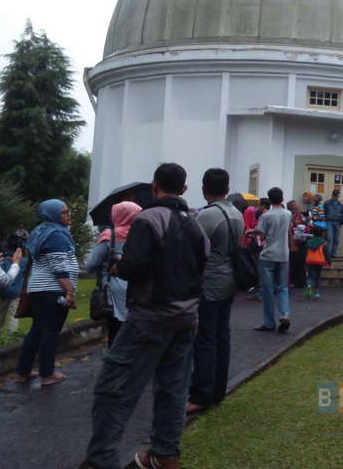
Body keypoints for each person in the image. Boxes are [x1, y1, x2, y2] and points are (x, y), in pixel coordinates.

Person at [81, 163, 209, 469]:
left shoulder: (148, 218)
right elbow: (200, 266)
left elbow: (133, 265)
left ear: (154, 186)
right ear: (185, 189)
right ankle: (165, 454)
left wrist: (117, 267)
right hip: (186, 317)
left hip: (150, 317)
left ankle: (101, 459)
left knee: (114, 387)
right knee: (173, 387)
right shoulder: (197, 225)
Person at [187, 168, 243, 415]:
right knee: (222, 335)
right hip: (230, 278)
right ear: (227, 189)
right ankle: (218, 389)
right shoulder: (236, 213)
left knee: (205, 338)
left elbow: (193, 248)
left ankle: (201, 394)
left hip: (211, 281)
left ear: (204, 189)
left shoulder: (208, 215)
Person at [15, 199, 78, 386]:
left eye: (68, 211)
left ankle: (23, 371)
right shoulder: (55, 235)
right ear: (53, 215)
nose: (69, 215)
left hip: (41, 289)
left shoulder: (42, 231)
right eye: (64, 212)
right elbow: (58, 266)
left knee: (37, 330)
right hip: (53, 290)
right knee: (50, 331)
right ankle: (47, 374)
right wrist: (69, 291)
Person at [85, 202, 142, 347]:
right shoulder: (142, 235)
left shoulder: (110, 236)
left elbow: (91, 265)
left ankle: (115, 364)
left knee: (116, 330)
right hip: (139, 288)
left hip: (114, 289)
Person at [253, 187, 293, 333]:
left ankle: (269, 322)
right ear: (282, 198)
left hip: (268, 255)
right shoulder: (288, 214)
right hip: (283, 255)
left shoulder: (266, 216)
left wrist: (251, 231)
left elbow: (262, 234)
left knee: (268, 290)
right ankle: (285, 315)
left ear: (269, 200)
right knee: (283, 288)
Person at [0, 234, 27, 334]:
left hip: (4, 291)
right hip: (17, 292)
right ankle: (12, 335)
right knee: (13, 315)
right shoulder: (24, 261)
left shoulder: (2, 261)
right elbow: (25, 274)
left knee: (0, 313)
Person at [305, 226, 330, 300]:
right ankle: (317, 293)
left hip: (309, 260)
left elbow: (305, 252)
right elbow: (326, 253)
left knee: (310, 276)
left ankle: (309, 285)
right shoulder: (323, 242)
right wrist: (329, 262)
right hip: (319, 261)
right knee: (317, 277)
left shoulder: (309, 241)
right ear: (322, 233)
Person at [323, 189, 343, 258]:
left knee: (336, 239)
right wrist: (323, 224)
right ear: (332, 195)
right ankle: (327, 253)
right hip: (329, 221)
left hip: (338, 222)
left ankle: (334, 254)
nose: (336, 197)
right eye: (335, 195)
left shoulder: (340, 205)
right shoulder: (327, 203)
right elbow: (324, 213)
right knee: (329, 238)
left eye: (337, 196)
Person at [289, 211, 309, 289]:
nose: (296, 221)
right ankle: (293, 281)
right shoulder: (291, 228)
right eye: (295, 219)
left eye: (298, 219)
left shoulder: (305, 228)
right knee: (293, 265)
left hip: (302, 248)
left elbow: (307, 236)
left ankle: (300, 282)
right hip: (294, 248)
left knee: (301, 265)